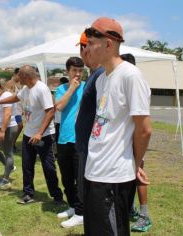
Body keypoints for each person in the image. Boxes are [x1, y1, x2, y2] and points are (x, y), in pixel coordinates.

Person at [83, 17, 151, 236]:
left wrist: (136, 162)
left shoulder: (131, 76)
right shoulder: (102, 78)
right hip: (94, 171)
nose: (87, 48)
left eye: (91, 43)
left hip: (113, 176)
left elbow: (144, 129)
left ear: (108, 44)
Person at [0, 65, 63, 205]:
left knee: (48, 167)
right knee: (27, 165)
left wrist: (40, 133)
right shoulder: (26, 89)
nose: (17, 79)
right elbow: (15, 98)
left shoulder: (41, 89)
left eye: (20, 77)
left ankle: (56, 196)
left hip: (43, 136)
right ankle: (28, 194)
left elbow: (50, 111)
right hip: (29, 134)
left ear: (27, 77)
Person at [120, 53, 152, 232]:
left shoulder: (136, 82)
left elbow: (143, 123)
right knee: (129, 175)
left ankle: (144, 215)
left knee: (138, 174)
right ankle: (131, 208)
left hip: (135, 137)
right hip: (128, 136)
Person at [55, 57, 85, 228]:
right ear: (68, 71)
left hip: (80, 139)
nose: (78, 74)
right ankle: (73, 206)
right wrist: (71, 89)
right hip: (63, 138)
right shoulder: (61, 88)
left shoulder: (88, 87)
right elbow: (59, 107)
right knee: (66, 177)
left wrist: (77, 87)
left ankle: (81, 212)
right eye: (74, 70)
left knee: (79, 178)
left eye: (80, 70)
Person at [75, 31, 105, 203]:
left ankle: (85, 215)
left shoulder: (100, 74)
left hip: (90, 143)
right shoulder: (92, 74)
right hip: (84, 142)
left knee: (88, 187)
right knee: (82, 184)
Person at [0, 78, 19, 189]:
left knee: (8, 153)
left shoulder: (6, 95)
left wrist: (2, 130)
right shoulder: (2, 96)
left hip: (8, 128)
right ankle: (9, 166)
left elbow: (7, 114)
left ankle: (5, 179)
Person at [3, 68, 24, 153]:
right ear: (15, 74)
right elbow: (7, 95)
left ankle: (12, 144)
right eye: (20, 75)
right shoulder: (10, 83)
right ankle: (10, 145)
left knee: (19, 126)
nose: (21, 77)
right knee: (17, 126)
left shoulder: (20, 84)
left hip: (17, 110)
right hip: (12, 110)